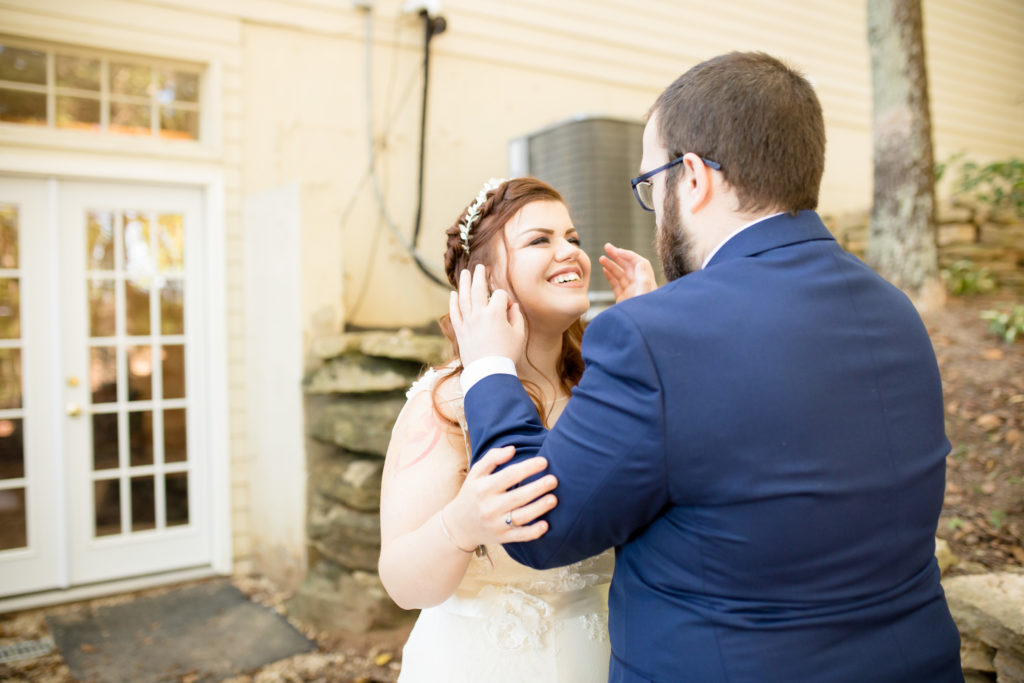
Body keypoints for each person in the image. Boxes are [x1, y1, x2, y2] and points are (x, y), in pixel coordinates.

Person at [448, 52, 964, 682]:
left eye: (650, 185)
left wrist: (489, 370)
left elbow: (538, 527)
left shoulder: (654, 337)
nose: (654, 206)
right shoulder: (895, 312)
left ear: (691, 177)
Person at [378, 177, 615, 681]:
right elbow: (402, 584)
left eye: (572, 237)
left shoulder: (609, 387)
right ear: (482, 280)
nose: (570, 252)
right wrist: (461, 525)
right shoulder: (443, 404)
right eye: (540, 240)